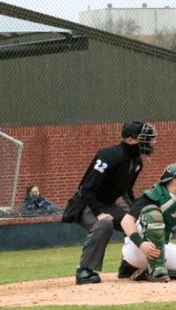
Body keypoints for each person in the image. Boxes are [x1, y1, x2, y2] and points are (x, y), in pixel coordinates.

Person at [62, 121, 157, 285]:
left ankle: (129, 266)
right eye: (147, 138)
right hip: (86, 204)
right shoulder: (108, 155)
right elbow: (86, 189)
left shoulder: (136, 162)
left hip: (108, 204)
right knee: (105, 224)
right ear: (131, 139)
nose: (152, 142)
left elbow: (126, 191)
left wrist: (138, 212)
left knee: (140, 223)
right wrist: (99, 213)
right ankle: (84, 270)